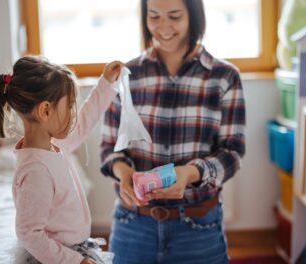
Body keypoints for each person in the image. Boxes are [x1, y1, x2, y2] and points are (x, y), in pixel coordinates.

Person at [100, 0, 246, 263]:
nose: (163, 27)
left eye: (174, 16)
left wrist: (190, 173)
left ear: (194, 16)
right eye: (154, 17)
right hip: (133, 223)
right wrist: (125, 175)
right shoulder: (128, 76)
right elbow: (110, 148)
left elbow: (233, 153)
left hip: (198, 226)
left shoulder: (224, 77)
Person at [0, 56, 123, 264]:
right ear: (45, 111)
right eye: (70, 107)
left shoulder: (54, 143)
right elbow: (29, 233)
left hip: (75, 249)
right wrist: (77, 261)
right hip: (58, 257)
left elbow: (84, 120)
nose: (74, 115)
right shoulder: (36, 171)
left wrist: (106, 82)